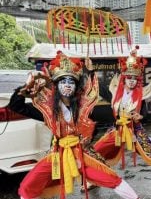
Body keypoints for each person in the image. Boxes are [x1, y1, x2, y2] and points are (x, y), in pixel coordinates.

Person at [8, 52, 140, 199]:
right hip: (57, 154)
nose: (67, 85)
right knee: (28, 184)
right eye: (63, 82)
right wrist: (24, 89)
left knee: (111, 178)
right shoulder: (48, 109)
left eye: (71, 82)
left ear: (76, 86)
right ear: (56, 85)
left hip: (81, 154)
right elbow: (16, 107)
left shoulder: (83, 107)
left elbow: (99, 118)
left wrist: (90, 72)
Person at [93, 46, 151, 180]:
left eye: (135, 78)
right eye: (129, 77)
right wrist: (90, 72)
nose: (132, 80)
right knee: (97, 150)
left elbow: (146, 113)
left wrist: (141, 116)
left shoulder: (141, 95)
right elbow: (99, 88)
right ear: (124, 78)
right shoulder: (115, 93)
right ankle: (94, 179)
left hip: (135, 130)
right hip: (117, 130)